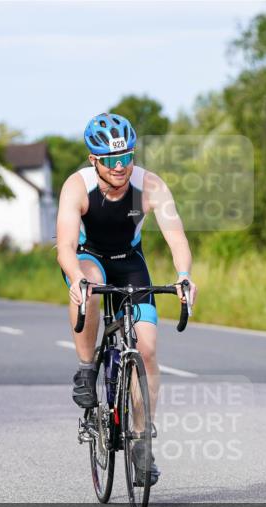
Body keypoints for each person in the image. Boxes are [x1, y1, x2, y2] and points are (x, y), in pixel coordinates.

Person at [56, 113, 198, 486]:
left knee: (147, 349)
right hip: (87, 259)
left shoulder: (150, 185)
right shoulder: (76, 187)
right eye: (111, 160)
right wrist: (74, 278)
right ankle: (87, 367)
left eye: (126, 158)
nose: (120, 167)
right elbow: (66, 247)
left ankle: (142, 438)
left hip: (129, 264)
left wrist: (183, 276)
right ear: (94, 161)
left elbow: (177, 238)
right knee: (89, 284)